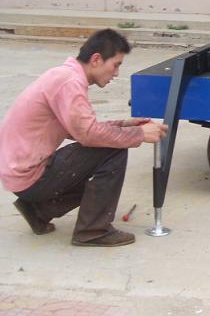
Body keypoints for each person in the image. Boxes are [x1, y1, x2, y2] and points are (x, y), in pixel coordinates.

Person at [0, 29, 168, 247]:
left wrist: (124, 124)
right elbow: (88, 135)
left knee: (109, 142)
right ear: (96, 59)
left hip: (21, 172)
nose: (116, 73)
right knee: (113, 149)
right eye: (115, 65)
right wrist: (139, 134)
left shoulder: (64, 76)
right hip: (29, 175)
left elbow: (78, 129)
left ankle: (38, 210)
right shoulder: (69, 83)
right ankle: (93, 231)